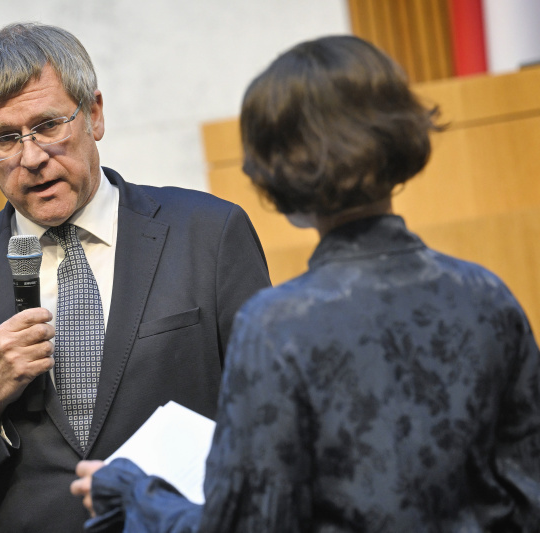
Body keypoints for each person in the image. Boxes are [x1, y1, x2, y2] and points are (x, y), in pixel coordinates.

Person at [71, 35, 540, 531]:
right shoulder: (488, 296)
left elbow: (248, 526)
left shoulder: (276, 328)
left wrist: (130, 491)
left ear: (274, 173)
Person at [0, 22, 271, 533]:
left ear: (95, 114)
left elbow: (275, 420)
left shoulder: (209, 233)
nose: (33, 157)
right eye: (4, 139)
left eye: (47, 125)